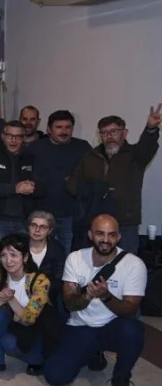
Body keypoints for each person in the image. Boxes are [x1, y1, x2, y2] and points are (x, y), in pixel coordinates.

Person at [45, 214, 148, 386]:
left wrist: (106, 296)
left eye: (111, 235)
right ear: (90, 235)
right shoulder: (75, 258)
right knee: (55, 376)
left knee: (133, 330)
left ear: (118, 237)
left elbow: (129, 309)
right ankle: (93, 352)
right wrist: (87, 296)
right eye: (100, 234)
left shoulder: (134, 264)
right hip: (80, 326)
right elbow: (69, 304)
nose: (106, 240)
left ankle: (121, 377)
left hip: (112, 325)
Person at [67, 108, 161, 253]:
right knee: (91, 263)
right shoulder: (90, 156)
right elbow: (73, 184)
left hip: (125, 223)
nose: (109, 136)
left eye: (114, 131)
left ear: (124, 133)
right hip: (94, 221)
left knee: (125, 263)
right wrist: (91, 192)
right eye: (104, 132)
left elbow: (148, 146)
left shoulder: (135, 155)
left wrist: (150, 129)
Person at [0, 233, 59, 377]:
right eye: (3, 255)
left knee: (8, 342)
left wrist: (11, 299)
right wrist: (1, 300)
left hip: (36, 329)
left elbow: (29, 320)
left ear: (25, 257)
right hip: (15, 324)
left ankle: (36, 359)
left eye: (13, 255)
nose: (8, 261)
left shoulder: (40, 281)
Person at [0, 121, 38, 299]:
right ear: (3, 136)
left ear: (23, 138)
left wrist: (34, 187)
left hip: (24, 221)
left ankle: (20, 305)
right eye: (10, 135)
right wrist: (14, 188)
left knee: (23, 265)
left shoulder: (30, 157)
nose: (13, 140)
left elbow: (42, 184)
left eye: (18, 136)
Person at [26, 110, 92, 251]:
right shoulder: (35, 148)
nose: (64, 131)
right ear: (49, 129)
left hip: (70, 215)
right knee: (39, 254)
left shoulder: (82, 147)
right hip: (41, 215)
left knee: (66, 255)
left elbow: (92, 176)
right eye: (59, 127)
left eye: (68, 127)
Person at [27, 210, 67, 318]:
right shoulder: (18, 245)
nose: (37, 230)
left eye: (43, 227)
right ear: (28, 227)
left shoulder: (57, 250)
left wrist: (40, 293)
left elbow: (57, 280)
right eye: (34, 225)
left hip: (46, 296)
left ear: (50, 231)